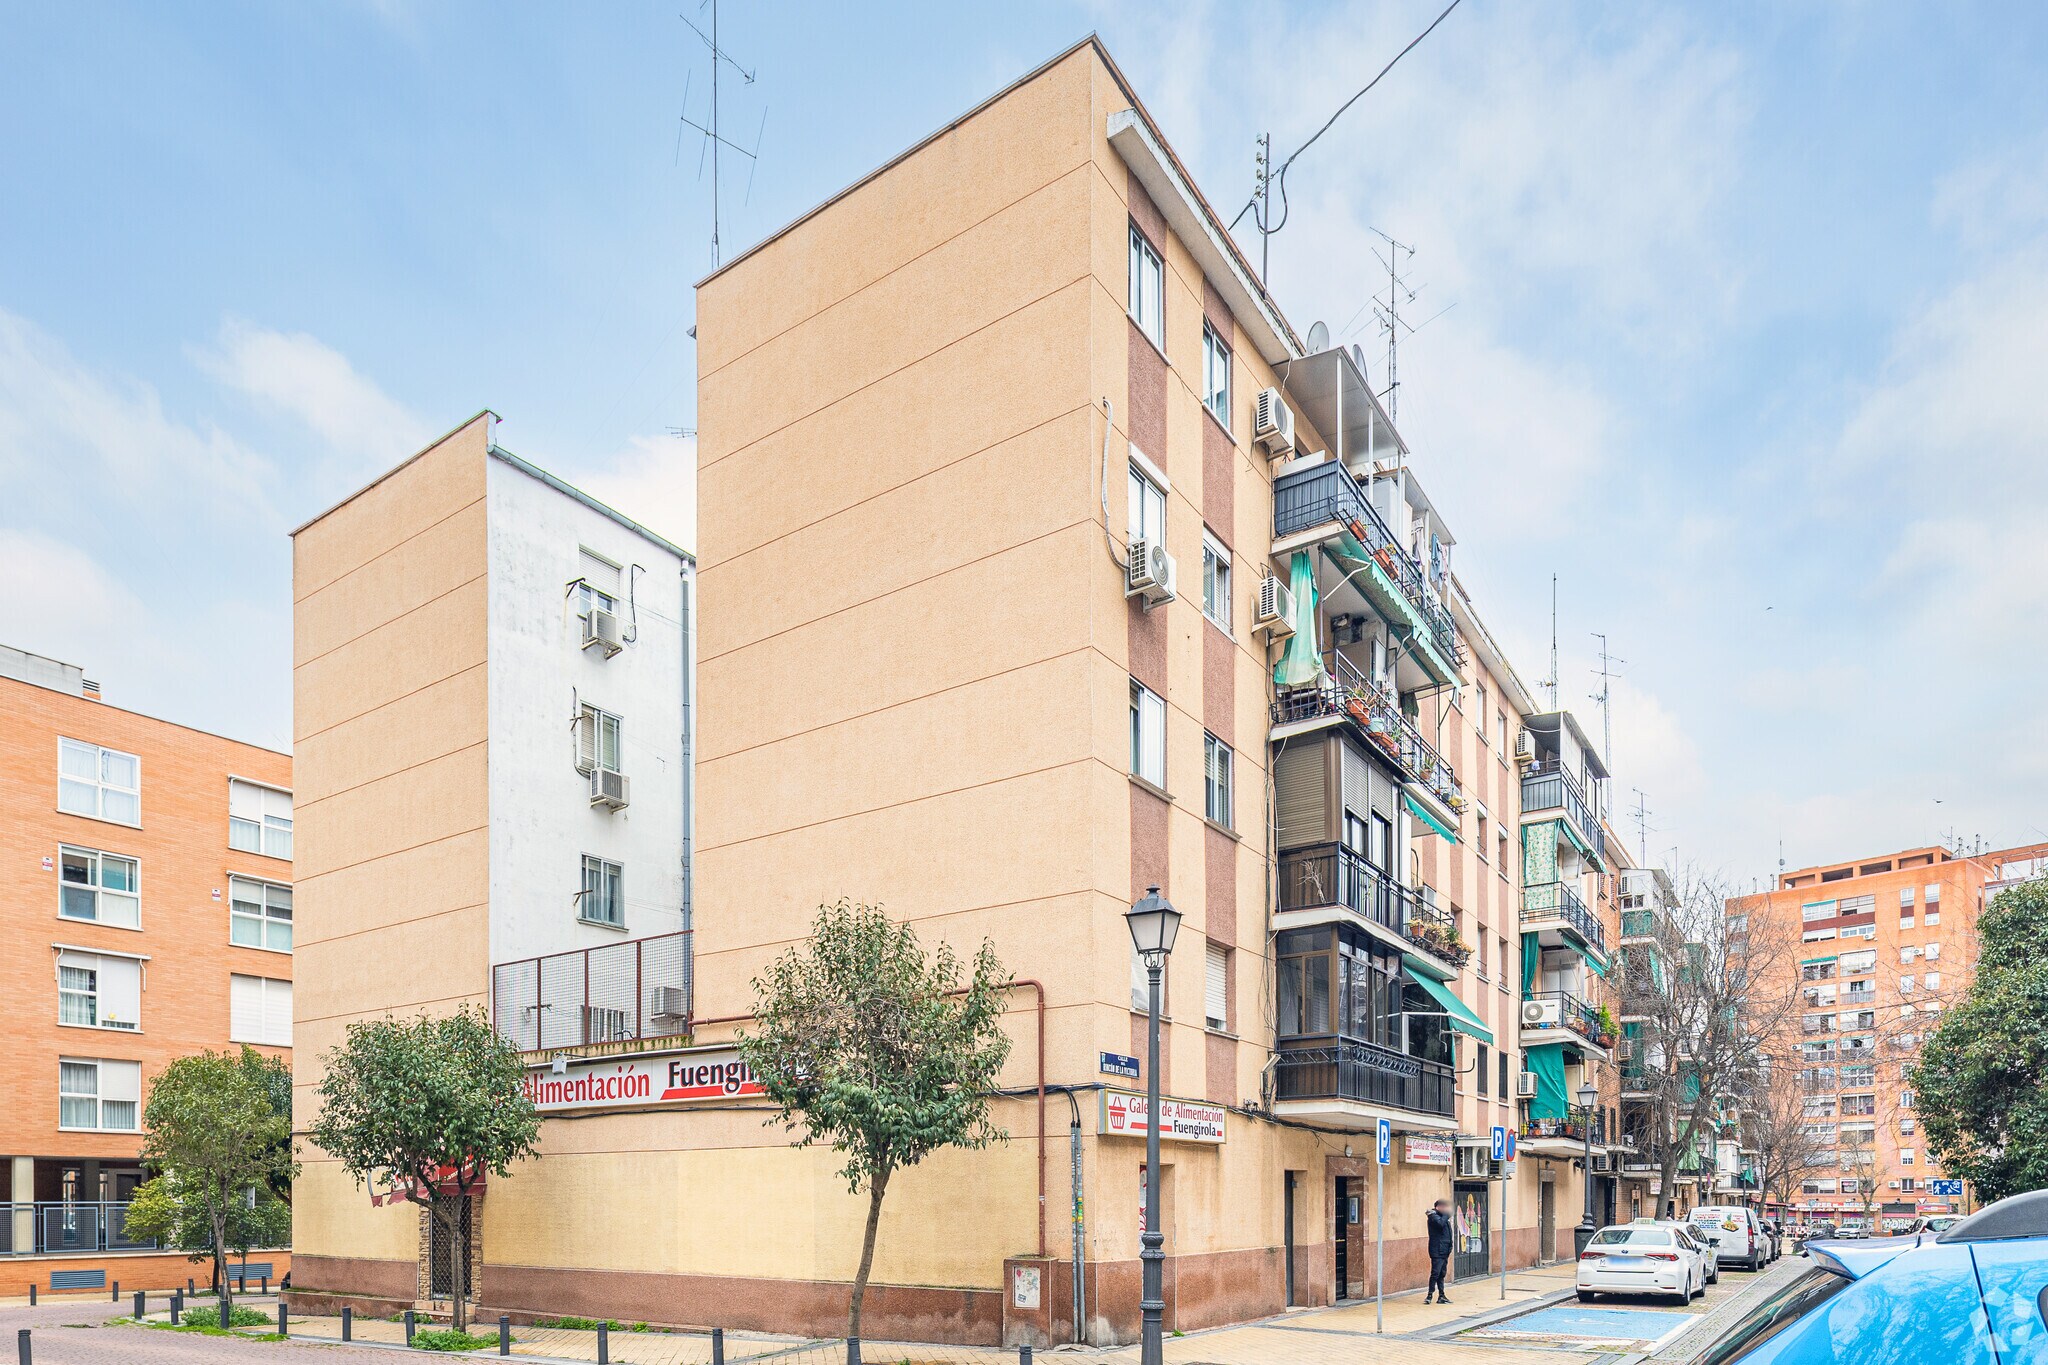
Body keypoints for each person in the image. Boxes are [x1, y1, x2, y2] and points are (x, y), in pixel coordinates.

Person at [1425, 1198, 1454, 1303]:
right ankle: (1429, 1295)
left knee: (1442, 1273)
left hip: (1444, 1250)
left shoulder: (1442, 1217)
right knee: (1435, 1273)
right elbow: (1440, 1224)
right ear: (1438, 1207)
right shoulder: (1433, 1216)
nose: (1446, 1209)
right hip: (1437, 1250)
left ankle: (1441, 1296)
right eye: (1444, 1207)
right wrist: (1446, 1215)